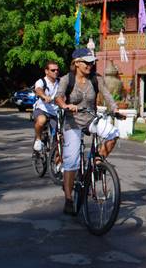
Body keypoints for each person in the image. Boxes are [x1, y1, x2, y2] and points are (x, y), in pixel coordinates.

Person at [54, 47, 121, 215]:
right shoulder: (66, 80)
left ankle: (96, 164)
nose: (90, 65)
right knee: (72, 160)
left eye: (92, 62)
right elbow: (59, 96)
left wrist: (115, 109)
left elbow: (107, 95)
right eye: (87, 62)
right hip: (72, 122)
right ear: (76, 63)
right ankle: (69, 199)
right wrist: (65, 105)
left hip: (91, 119)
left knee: (113, 134)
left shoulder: (96, 79)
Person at [33, 61, 60, 152]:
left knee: (59, 134)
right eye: (53, 70)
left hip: (55, 112)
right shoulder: (41, 81)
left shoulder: (60, 82)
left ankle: (54, 157)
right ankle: (38, 139)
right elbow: (38, 90)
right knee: (41, 121)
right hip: (42, 109)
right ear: (46, 71)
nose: (55, 72)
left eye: (57, 70)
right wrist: (44, 96)